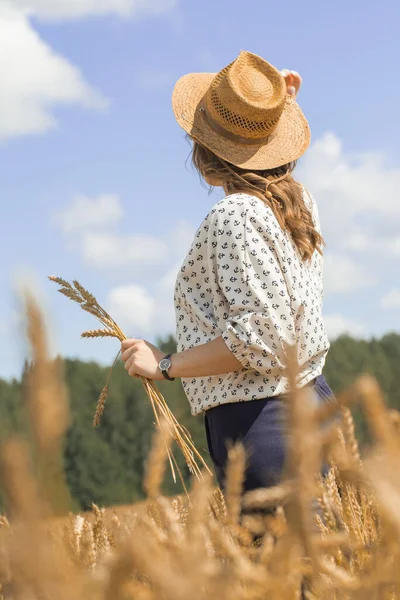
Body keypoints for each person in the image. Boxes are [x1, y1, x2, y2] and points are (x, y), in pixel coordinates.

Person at [121, 51, 333, 494]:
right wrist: (280, 104)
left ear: (204, 148)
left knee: (280, 564)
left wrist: (164, 365)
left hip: (263, 425)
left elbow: (259, 339)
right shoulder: (295, 201)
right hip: (311, 404)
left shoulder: (235, 215)